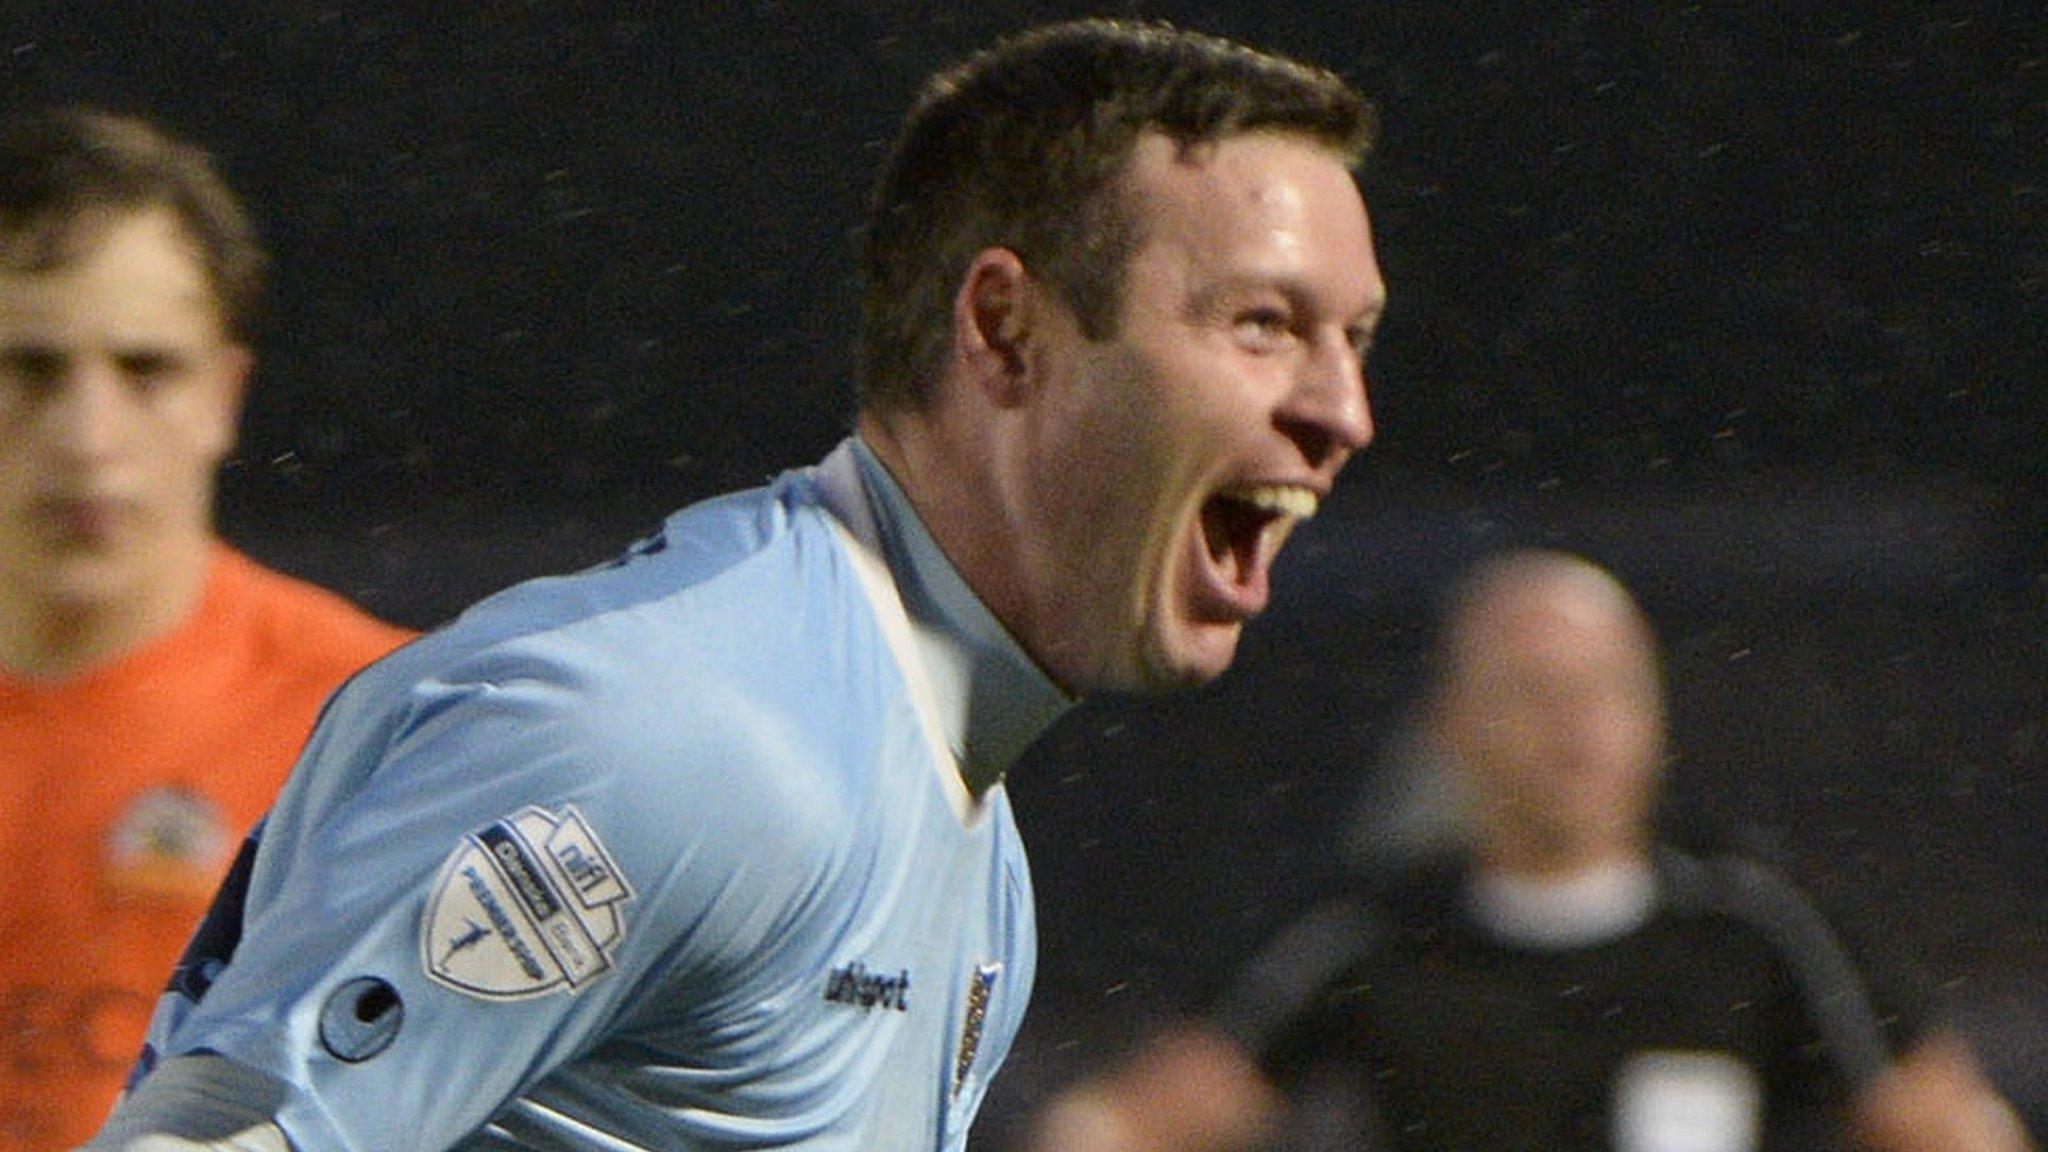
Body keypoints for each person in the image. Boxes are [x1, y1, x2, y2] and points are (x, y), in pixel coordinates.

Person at [80, 17, 1385, 1152]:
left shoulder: (965, 832)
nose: (1344, 411)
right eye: (1262, 323)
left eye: (1355, 337)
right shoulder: (686, 734)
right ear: (1006, 332)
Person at [1019, 549, 2033, 1152]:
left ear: (1654, 718)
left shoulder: (1753, 925)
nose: (1573, 725)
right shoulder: (1369, 935)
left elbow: (1949, 1127)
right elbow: (1124, 1127)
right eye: (1531, 692)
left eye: (1603, 688)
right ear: (1452, 726)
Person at [0, 108, 416, 1150]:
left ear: (223, 394)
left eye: (146, 370)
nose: (90, 440)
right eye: (29, 369)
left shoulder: (381, 730)